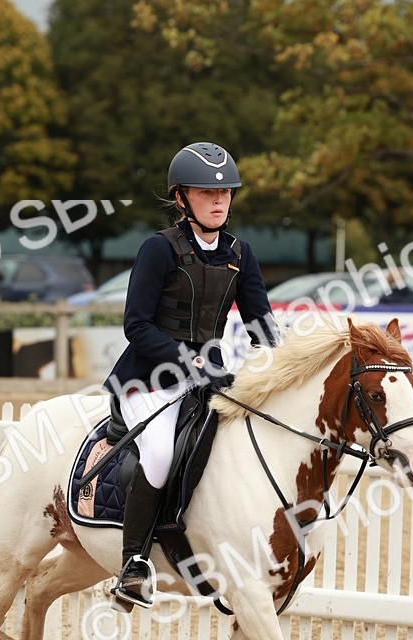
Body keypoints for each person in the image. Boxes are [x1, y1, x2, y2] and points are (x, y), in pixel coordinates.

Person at [103, 141, 278, 608]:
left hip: (209, 380)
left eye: (225, 194)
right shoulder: (158, 249)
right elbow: (135, 325)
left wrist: (281, 365)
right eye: (206, 193)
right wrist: (190, 361)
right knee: (159, 452)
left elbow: (261, 324)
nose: (219, 201)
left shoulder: (241, 254)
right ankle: (133, 563)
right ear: (181, 198)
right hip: (148, 379)